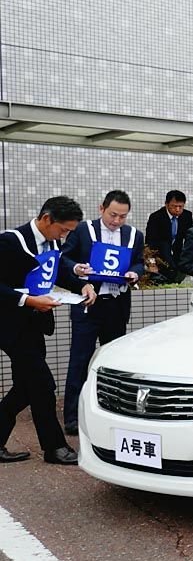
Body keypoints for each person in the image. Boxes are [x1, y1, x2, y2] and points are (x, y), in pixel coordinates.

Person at [0, 197, 96, 465]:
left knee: (25, 387)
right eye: (63, 229)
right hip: (11, 325)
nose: (64, 236)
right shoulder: (11, 241)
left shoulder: (52, 242)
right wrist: (29, 301)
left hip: (35, 324)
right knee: (43, 384)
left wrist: (81, 286)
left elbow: (57, 274)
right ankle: (55, 447)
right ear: (46, 219)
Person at [59, 190, 145, 436]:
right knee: (80, 359)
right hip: (89, 301)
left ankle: (113, 410)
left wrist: (135, 273)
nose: (117, 221)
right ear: (101, 209)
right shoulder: (84, 230)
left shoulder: (133, 235)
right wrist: (76, 268)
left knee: (114, 360)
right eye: (113, 215)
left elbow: (139, 261)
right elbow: (64, 257)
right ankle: (73, 417)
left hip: (117, 304)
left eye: (122, 216)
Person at [144, 190, 192, 280]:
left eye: (180, 206)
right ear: (166, 204)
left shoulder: (187, 216)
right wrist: (151, 262)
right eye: (174, 206)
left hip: (178, 257)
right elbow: (149, 242)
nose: (177, 209)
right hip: (161, 257)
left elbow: (189, 239)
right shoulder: (156, 217)